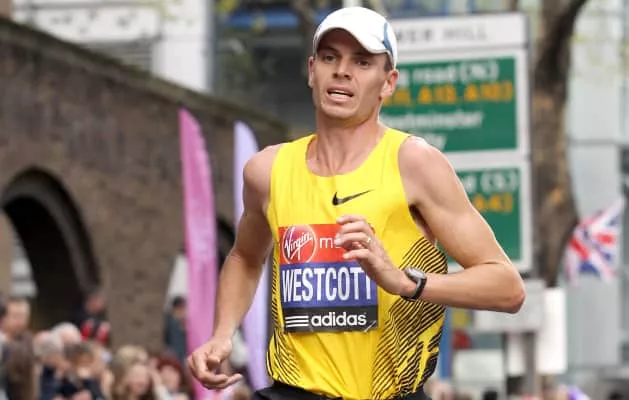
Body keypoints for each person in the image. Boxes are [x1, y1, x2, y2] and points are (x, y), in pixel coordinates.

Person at [188, 6, 525, 400]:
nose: (342, 71)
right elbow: (246, 257)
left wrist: (405, 282)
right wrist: (222, 334)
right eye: (330, 57)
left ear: (388, 82)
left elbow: (507, 287)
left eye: (362, 62)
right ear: (312, 70)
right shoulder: (267, 170)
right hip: (293, 391)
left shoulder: (414, 163)